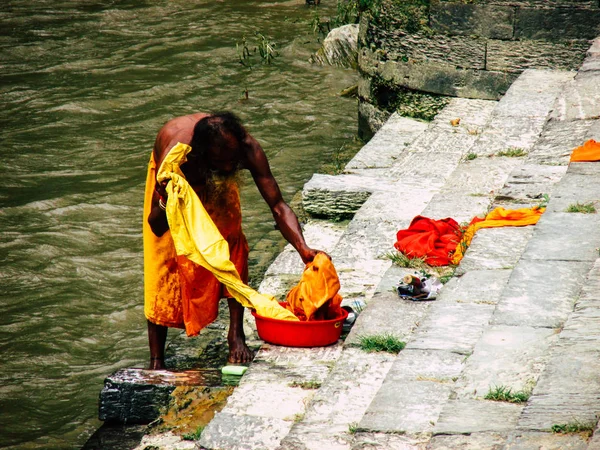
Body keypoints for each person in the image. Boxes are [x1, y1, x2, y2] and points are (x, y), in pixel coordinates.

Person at [143, 111, 320, 369]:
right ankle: (156, 361)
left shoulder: (245, 150)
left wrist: (302, 248)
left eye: (233, 162)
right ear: (202, 153)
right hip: (180, 184)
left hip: (212, 177)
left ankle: (236, 335)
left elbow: (278, 205)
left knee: (232, 242)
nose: (228, 169)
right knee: (166, 259)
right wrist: (165, 196)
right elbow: (156, 226)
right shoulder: (178, 159)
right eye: (221, 162)